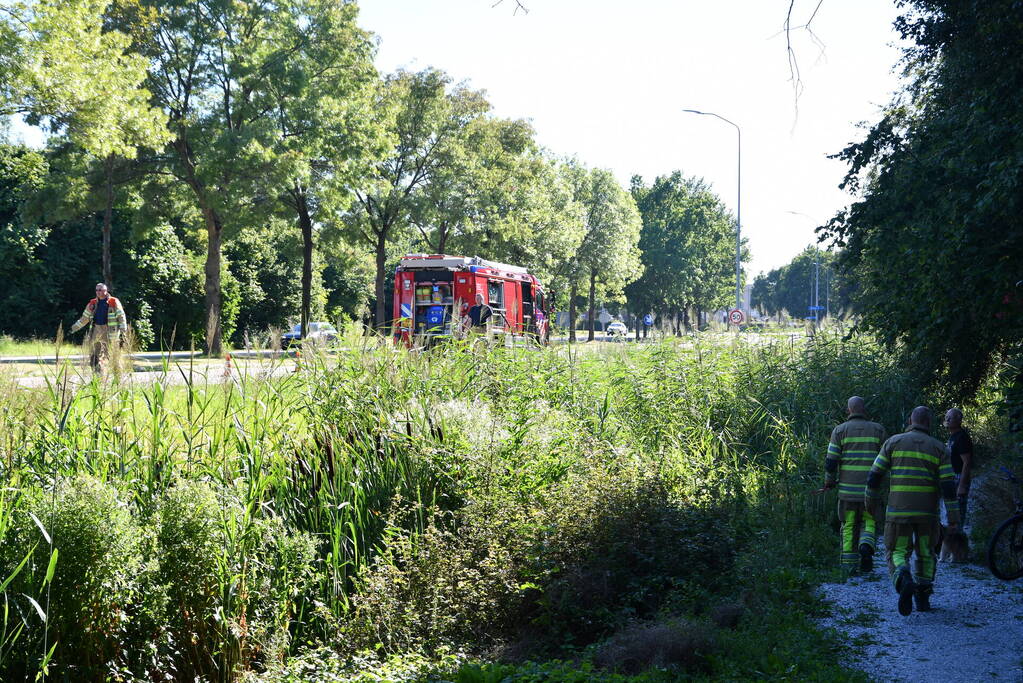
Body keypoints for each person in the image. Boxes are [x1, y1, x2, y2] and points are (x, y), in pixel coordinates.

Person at [865, 406, 960, 615]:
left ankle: (903, 579)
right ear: (930, 423)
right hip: (928, 514)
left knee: (897, 551)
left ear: (910, 420)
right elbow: (948, 487)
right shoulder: (940, 448)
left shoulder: (893, 442)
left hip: (899, 512)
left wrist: (870, 504)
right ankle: (923, 598)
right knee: (926, 553)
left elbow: (874, 476)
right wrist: (953, 517)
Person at [824, 396, 888, 574]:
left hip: (847, 493)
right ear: (864, 409)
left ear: (848, 410)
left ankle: (848, 566)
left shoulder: (839, 431)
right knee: (870, 522)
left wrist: (829, 481)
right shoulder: (878, 430)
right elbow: (887, 459)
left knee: (849, 524)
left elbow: (831, 461)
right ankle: (866, 546)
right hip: (871, 493)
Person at [69, 283, 129, 370]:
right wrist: (72, 329)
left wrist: (124, 331)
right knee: (93, 356)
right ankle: (97, 376)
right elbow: (84, 319)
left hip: (110, 332)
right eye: (96, 290)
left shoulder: (113, 301)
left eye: (100, 290)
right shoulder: (92, 303)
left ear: (106, 291)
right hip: (96, 330)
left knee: (112, 356)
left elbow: (121, 316)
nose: (98, 292)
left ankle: (118, 377)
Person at [943, 408, 974, 525]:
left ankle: (958, 541)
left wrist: (962, 485)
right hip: (952, 478)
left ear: (958, 420)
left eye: (950, 418)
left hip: (959, 478)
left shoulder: (962, 437)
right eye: (946, 417)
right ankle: (951, 540)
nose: (947, 420)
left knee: (958, 516)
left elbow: (967, 462)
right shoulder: (953, 436)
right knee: (951, 514)